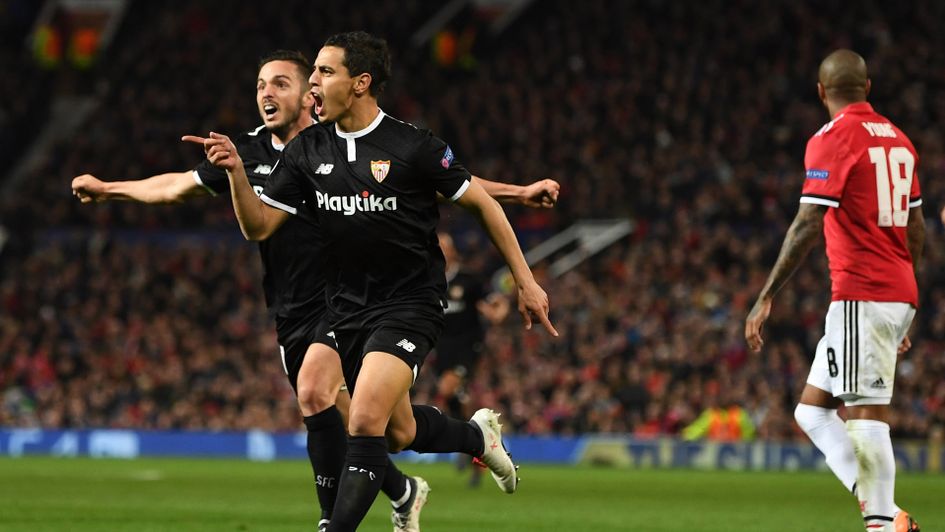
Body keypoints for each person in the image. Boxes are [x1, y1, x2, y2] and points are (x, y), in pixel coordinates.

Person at [74, 49, 559, 532]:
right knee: (395, 430)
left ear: (311, 93)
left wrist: (516, 194)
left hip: (356, 300)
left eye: (282, 83)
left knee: (322, 396)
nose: (268, 92)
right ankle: (450, 456)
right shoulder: (259, 151)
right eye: (261, 84)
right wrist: (110, 188)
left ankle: (332, 522)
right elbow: (183, 189)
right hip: (296, 309)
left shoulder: (358, 143)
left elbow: (441, 183)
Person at [745, 49, 923, 532]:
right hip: (891, 292)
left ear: (821, 92)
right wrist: (903, 304)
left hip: (862, 293)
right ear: (869, 88)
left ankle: (882, 527)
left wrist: (766, 295)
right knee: (812, 411)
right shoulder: (901, 142)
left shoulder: (833, 138)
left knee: (865, 417)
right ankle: (893, 517)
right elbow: (916, 227)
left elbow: (807, 223)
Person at [431, 231, 509, 486]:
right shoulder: (429, 280)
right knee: (455, 397)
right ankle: (475, 444)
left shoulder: (468, 280)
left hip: (467, 345)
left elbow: (490, 307)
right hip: (442, 347)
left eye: (445, 246)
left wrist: (500, 309)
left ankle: (468, 442)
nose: (440, 250)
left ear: (453, 251)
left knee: (447, 388)